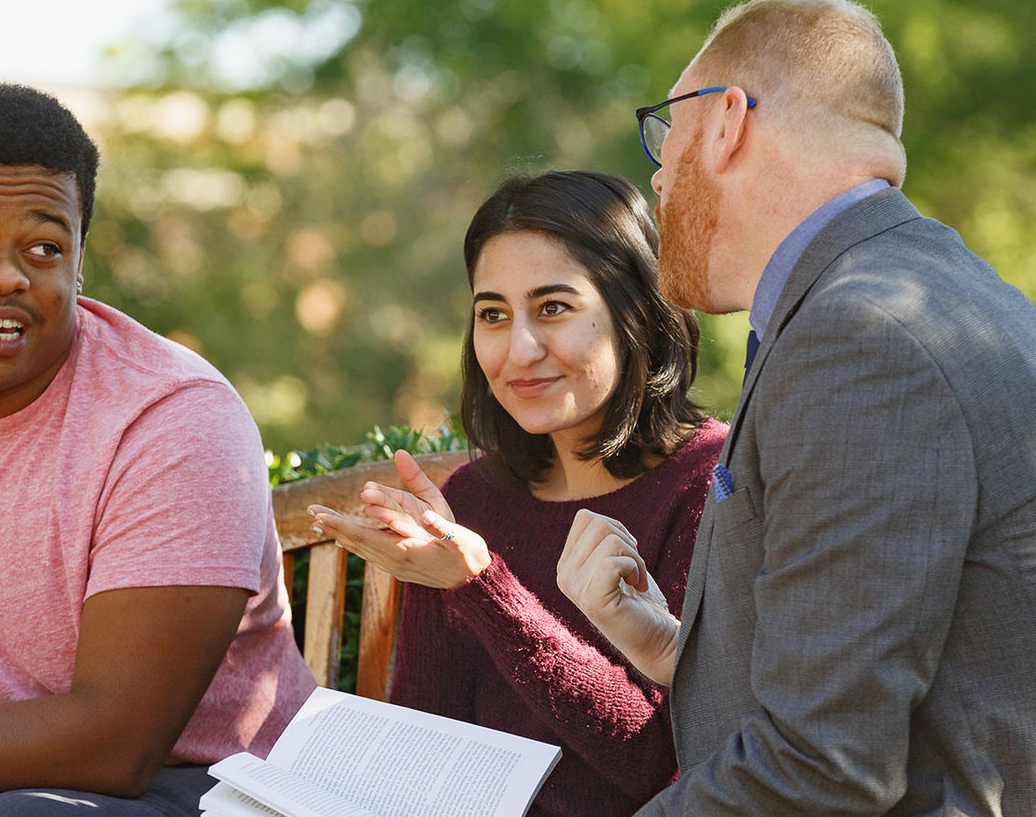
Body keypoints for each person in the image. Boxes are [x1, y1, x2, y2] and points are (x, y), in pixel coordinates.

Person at [557, 0, 1036, 815]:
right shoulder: (909, 293)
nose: (659, 177)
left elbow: (820, 768)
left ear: (729, 120)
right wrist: (673, 643)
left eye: (667, 135)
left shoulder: (864, 338)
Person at [0, 82, 316, 813]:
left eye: (45, 247)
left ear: (80, 260)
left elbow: (114, 743)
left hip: (200, 788)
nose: (6, 275)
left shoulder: (172, 418)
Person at [309, 170, 728, 817]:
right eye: (493, 315)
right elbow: (427, 739)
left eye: (553, 307)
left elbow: (658, 760)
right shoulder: (473, 498)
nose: (520, 349)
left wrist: (481, 586)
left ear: (636, 311)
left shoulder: (709, 481)